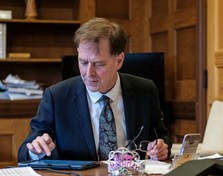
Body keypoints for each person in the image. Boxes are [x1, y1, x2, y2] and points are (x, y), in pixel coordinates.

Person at [18, 17, 172, 162]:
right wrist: (35, 151)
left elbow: (161, 136)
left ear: (119, 60)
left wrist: (161, 148)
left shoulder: (145, 91)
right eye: (83, 62)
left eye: (98, 64)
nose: (88, 72)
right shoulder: (56, 97)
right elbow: (24, 153)